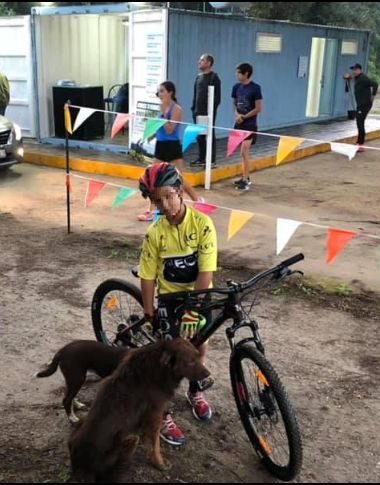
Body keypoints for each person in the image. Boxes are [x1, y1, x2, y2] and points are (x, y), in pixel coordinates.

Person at [138, 162, 217, 446]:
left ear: (181, 191)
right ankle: (162, 412)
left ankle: (195, 391)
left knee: (200, 344)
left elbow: (206, 272)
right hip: (170, 299)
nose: (165, 205)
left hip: (197, 294)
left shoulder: (203, 224)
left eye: (169, 196)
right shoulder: (155, 233)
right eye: (157, 200)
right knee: (170, 356)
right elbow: (147, 276)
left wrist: (194, 310)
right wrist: (149, 312)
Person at [138, 81, 202, 222]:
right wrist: (152, 134)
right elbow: (160, 126)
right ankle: (152, 210)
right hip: (161, 145)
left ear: (170, 92)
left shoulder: (176, 109)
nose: (159, 94)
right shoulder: (162, 107)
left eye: (162, 91)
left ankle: (198, 200)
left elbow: (170, 129)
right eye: (159, 91)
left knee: (179, 178)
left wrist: (162, 116)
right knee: (153, 179)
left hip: (172, 146)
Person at [231, 63, 263, 191]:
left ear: (246, 74)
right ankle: (245, 176)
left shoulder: (255, 88)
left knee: (244, 150)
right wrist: (237, 115)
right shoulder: (236, 87)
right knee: (242, 153)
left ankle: (246, 179)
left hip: (250, 124)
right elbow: (234, 104)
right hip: (239, 123)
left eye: (239, 73)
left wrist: (244, 116)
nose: (236, 75)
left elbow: (258, 108)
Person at [190, 53, 221, 168]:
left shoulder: (214, 78)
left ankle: (211, 160)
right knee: (199, 136)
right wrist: (193, 109)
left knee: (209, 135)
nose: (199, 62)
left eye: (202, 60)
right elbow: (195, 94)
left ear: (208, 63)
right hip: (197, 112)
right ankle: (202, 158)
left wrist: (210, 112)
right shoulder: (198, 77)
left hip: (208, 113)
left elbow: (217, 98)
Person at [351, 63, 378, 152]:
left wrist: (373, 96)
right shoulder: (358, 78)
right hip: (360, 104)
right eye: (353, 70)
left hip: (364, 105)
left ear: (360, 70)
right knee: (359, 123)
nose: (354, 71)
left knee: (360, 123)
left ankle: (361, 144)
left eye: (355, 70)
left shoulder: (363, 78)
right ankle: (359, 142)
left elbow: (375, 84)